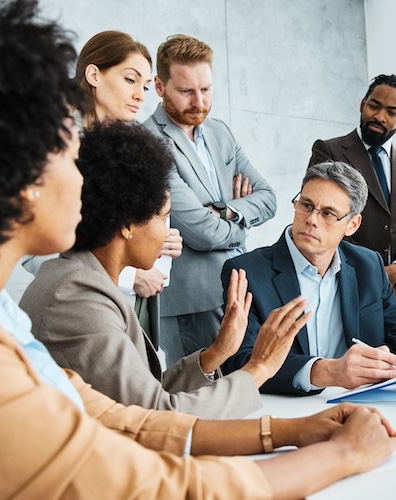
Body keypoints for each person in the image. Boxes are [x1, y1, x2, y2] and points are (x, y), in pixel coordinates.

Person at [0, 1, 396, 497]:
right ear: (21, 178)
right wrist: (340, 453)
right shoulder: (9, 331)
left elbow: (130, 421)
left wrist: (294, 430)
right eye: (69, 154)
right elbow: (154, 481)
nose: (87, 181)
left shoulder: (0, 316)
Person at [20, 120, 301, 418]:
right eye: (164, 219)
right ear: (127, 225)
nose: (170, 234)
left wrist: (217, 352)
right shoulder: (77, 296)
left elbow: (148, 392)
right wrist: (260, 368)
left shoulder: (82, 278)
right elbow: (155, 414)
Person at [222, 161, 396, 395]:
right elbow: (240, 361)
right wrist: (327, 372)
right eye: (306, 205)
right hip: (282, 410)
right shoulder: (246, 272)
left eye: (328, 213)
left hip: (363, 405)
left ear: (352, 225)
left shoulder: (369, 265)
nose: (311, 220)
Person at [24, 30, 184, 345]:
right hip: (79, 308)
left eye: (145, 86)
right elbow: (31, 246)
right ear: (94, 74)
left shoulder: (139, 148)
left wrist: (162, 241)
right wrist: (129, 275)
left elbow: (151, 219)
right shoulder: (57, 147)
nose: (141, 94)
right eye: (130, 79)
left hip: (142, 305)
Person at [143, 34, 277, 366]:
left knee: (242, 395)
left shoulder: (220, 132)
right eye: (186, 91)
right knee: (200, 399)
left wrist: (224, 209)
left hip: (236, 289)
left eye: (206, 89)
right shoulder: (147, 141)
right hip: (190, 302)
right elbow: (203, 233)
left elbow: (269, 198)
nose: (199, 101)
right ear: (159, 86)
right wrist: (242, 222)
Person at [309, 74, 396, 299]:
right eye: (374, 106)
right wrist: (373, 272)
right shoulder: (329, 151)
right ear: (363, 104)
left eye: (392, 112)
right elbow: (322, 217)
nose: (380, 117)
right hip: (345, 281)